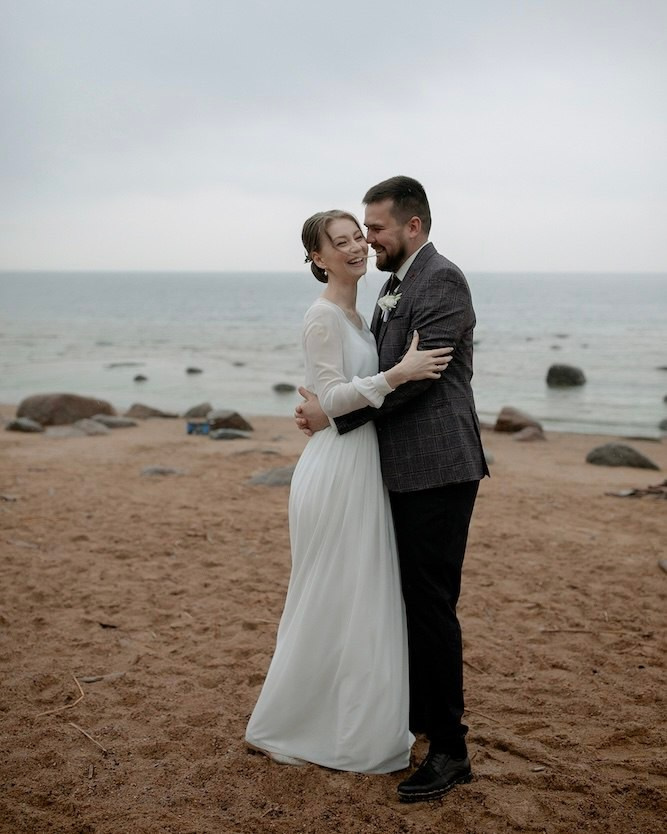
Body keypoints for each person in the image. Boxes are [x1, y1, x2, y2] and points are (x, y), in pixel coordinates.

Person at [295, 177, 489, 802]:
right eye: (356, 234)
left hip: (438, 468)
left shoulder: (441, 280)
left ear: (412, 226)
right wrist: (335, 405)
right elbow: (375, 370)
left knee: (431, 606)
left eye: (373, 230)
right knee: (408, 602)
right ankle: (421, 719)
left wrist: (335, 415)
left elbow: (419, 380)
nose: (367, 240)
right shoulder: (391, 285)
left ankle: (450, 750)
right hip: (398, 470)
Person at [245, 209, 452, 773]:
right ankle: (300, 722)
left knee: (358, 598)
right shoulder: (321, 317)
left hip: (363, 466)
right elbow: (333, 399)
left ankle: (355, 718)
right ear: (317, 258)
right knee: (333, 595)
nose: (357, 246)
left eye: (359, 235)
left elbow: (330, 400)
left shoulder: (359, 316)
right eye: (341, 242)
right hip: (337, 471)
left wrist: (337, 401)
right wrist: (399, 373)